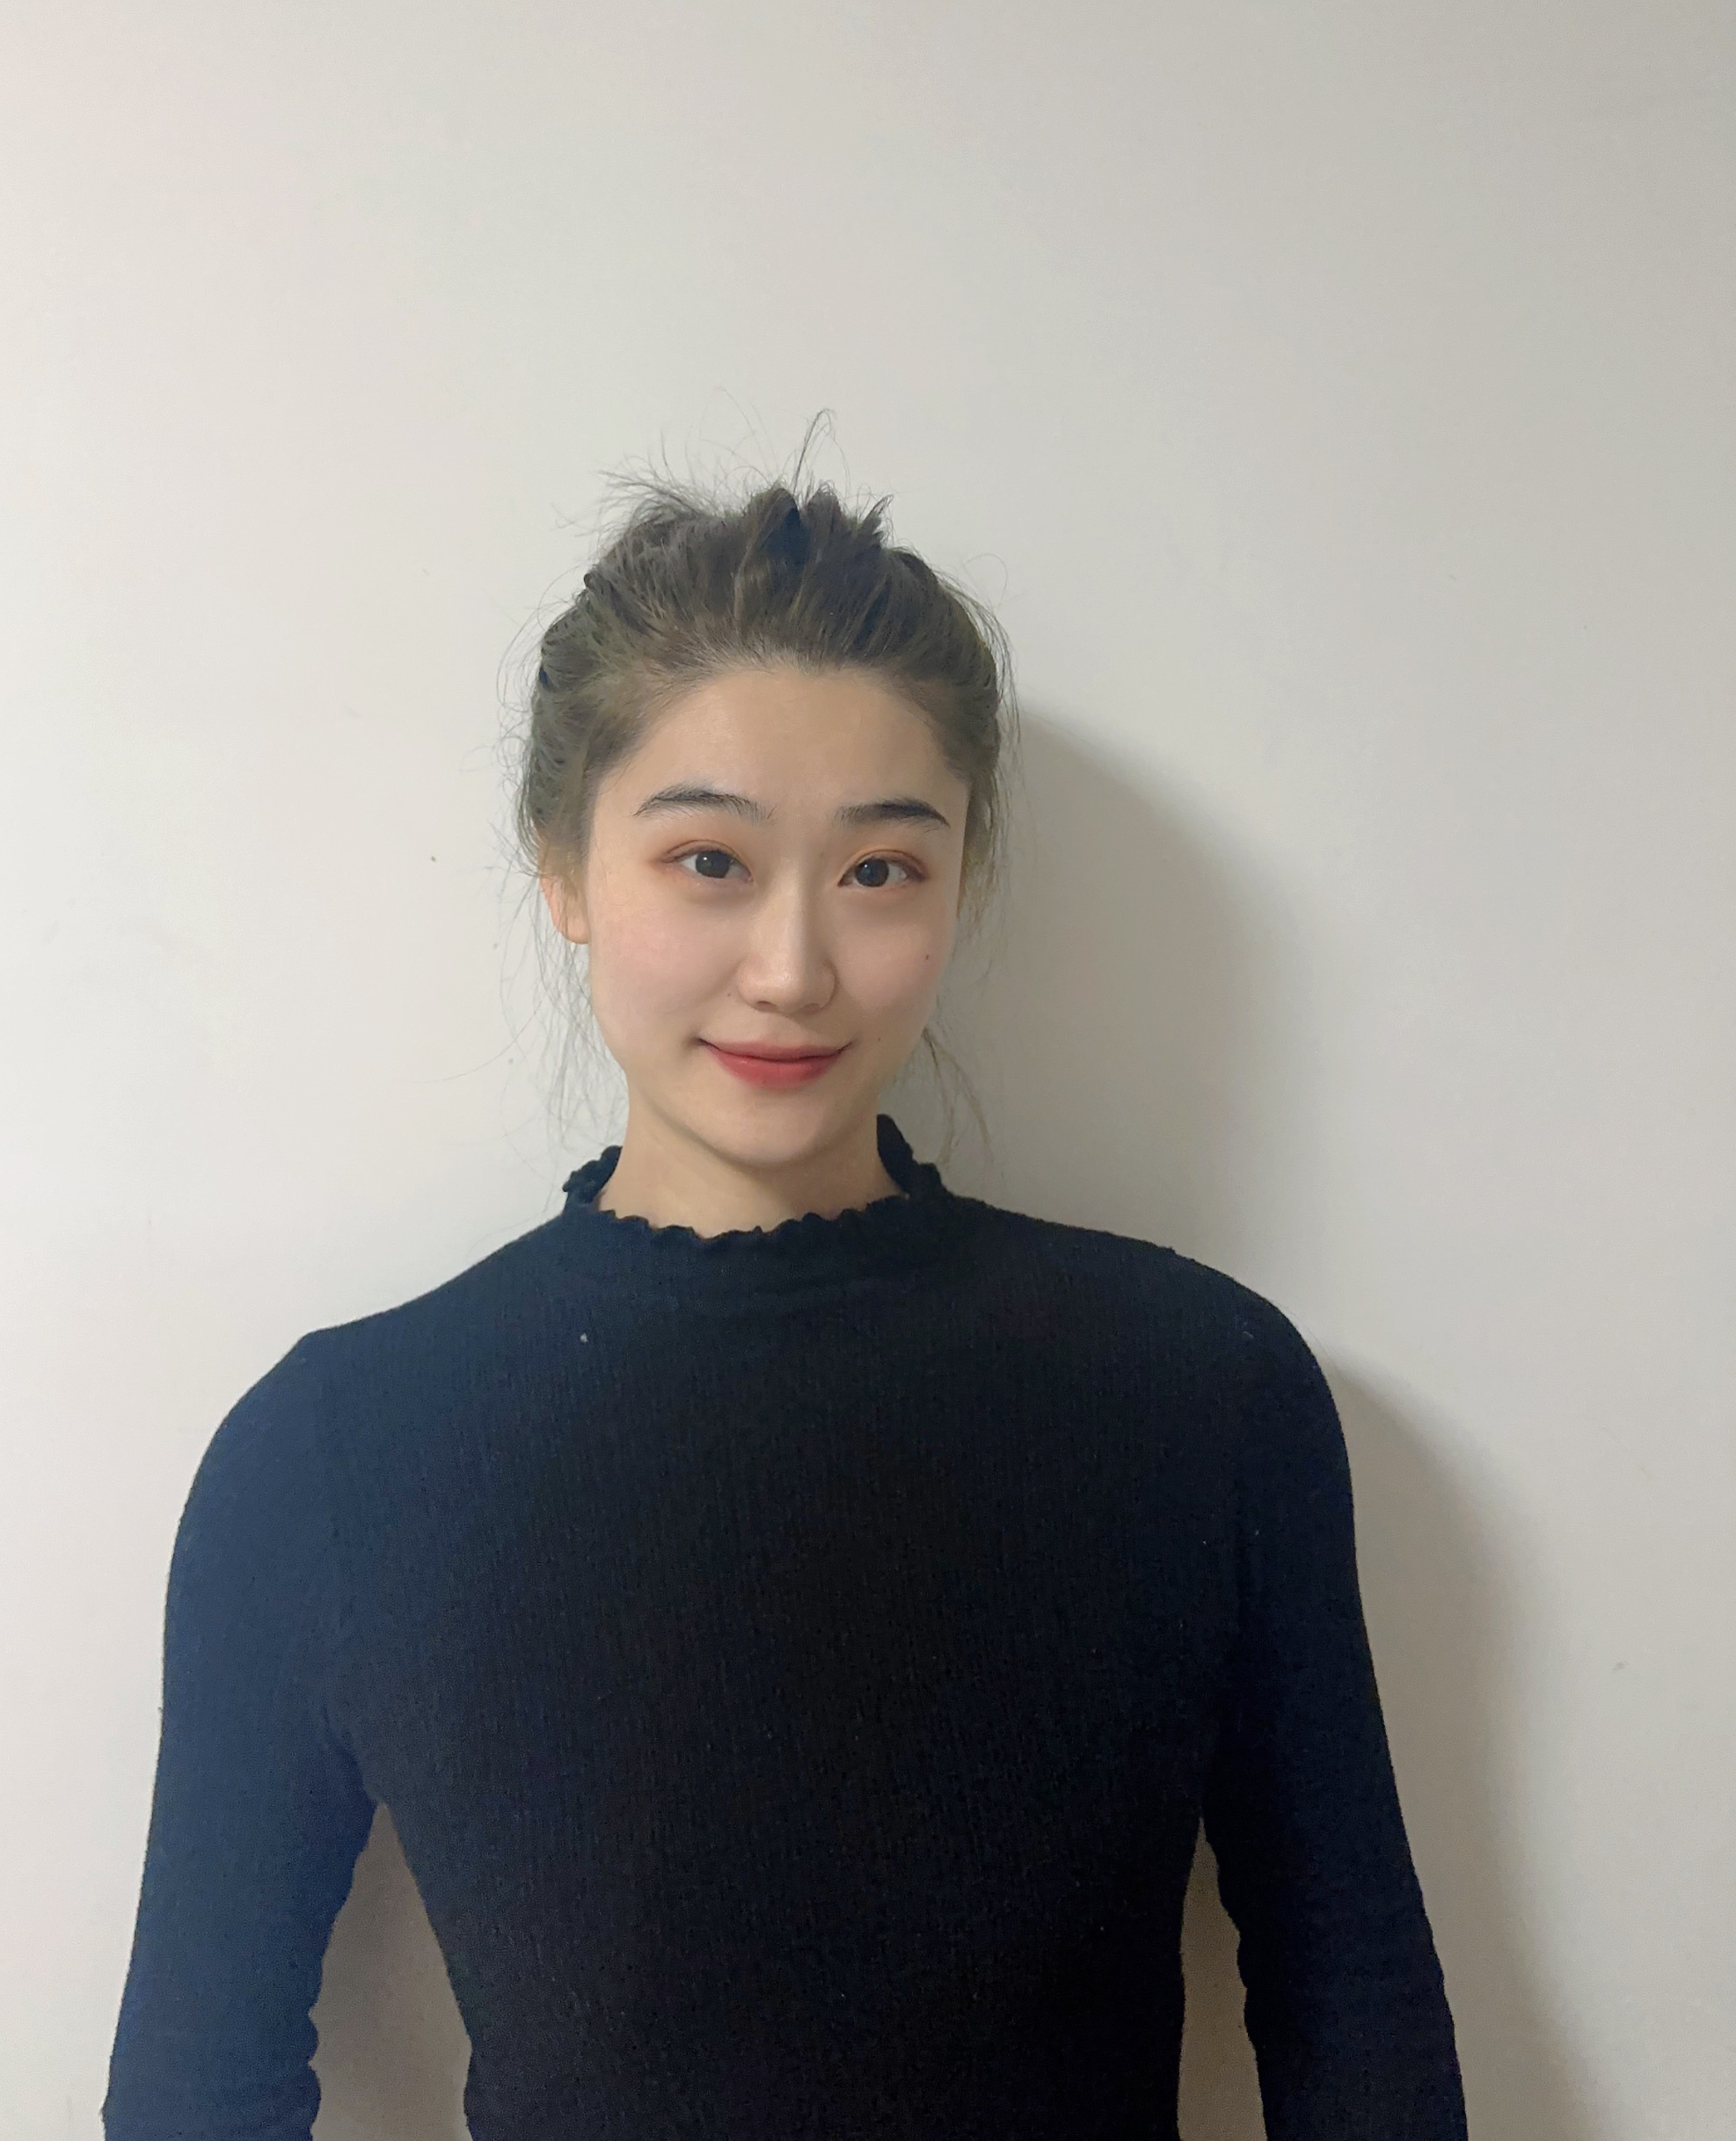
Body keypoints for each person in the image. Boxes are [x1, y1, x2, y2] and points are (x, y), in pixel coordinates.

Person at [101, 470, 1468, 2139]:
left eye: (881, 870)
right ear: (564, 866)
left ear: (960, 884)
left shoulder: (1204, 1390)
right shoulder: (337, 1448)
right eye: (709, 860)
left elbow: (1356, 2013)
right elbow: (197, 2088)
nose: (793, 968)